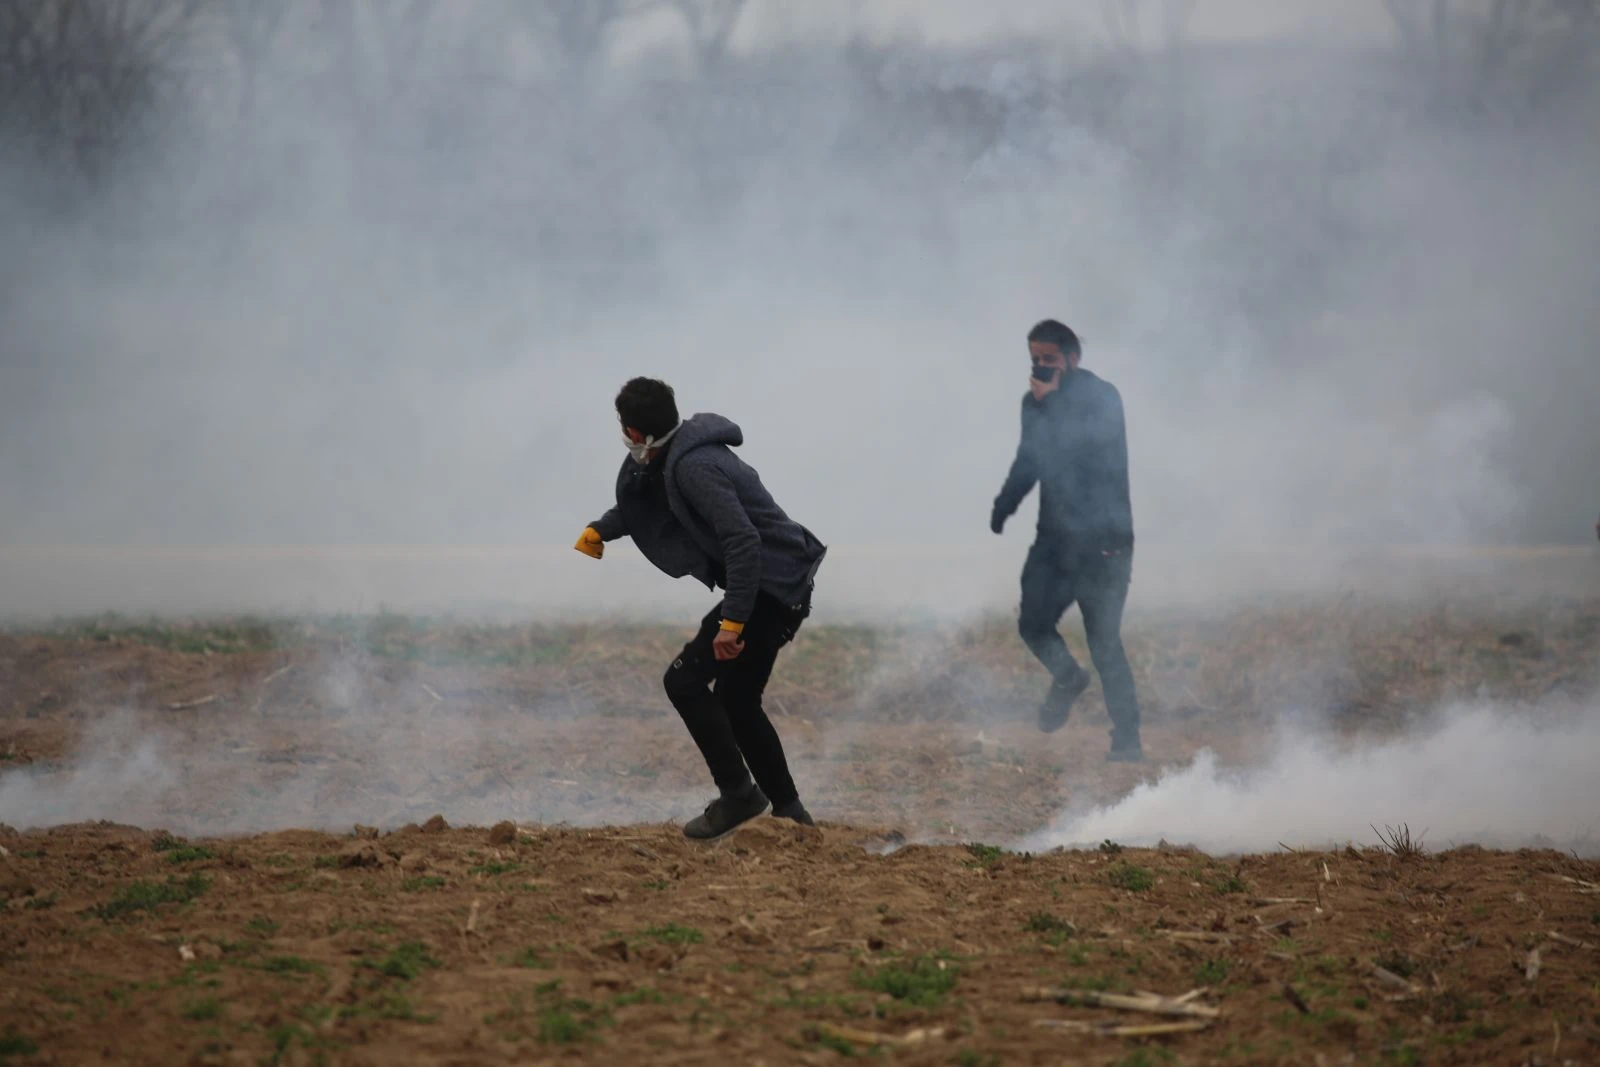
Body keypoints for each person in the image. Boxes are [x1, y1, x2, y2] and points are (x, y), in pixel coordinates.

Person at [576, 377, 827, 839]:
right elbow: (649, 505)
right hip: (774, 586)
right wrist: (601, 530)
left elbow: (742, 541)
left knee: (684, 680)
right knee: (736, 699)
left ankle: (739, 794)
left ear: (635, 433)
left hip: (769, 589)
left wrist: (732, 623)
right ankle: (791, 815)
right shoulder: (671, 457)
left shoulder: (696, 467)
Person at [990, 319, 1143, 762]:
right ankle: (1067, 679)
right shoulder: (1034, 402)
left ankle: (1127, 740)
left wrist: (1051, 406)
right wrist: (1004, 505)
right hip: (1054, 540)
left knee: (1104, 641)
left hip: (1104, 541)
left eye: (1049, 359)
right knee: (1032, 623)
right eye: (1035, 360)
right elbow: (1030, 459)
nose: (1040, 368)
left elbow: (1087, 451)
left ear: (1073, 359)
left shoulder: (1102, 397)